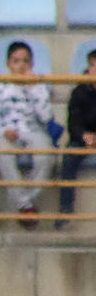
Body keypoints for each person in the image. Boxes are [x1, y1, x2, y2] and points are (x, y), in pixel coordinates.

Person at [0, 40, 54, 230]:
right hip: (8, 132)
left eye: (25, 61)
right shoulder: (0, 88)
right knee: (2, 152)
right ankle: (27, 206)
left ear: (31, 65)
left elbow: (46, 116)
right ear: (9, 64)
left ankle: (25, 203)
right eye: (16, 61)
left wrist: (32, 89)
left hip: (34, 131)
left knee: (45, 154)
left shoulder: (39, 86)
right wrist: (3, 131)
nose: (21, 66)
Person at [58, 48, 96, 228]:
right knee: (69, 156)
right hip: (82, 140)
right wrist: (83, 135)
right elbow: (73, 122)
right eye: (93, 65)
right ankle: (65, 210)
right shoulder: (79, 91)